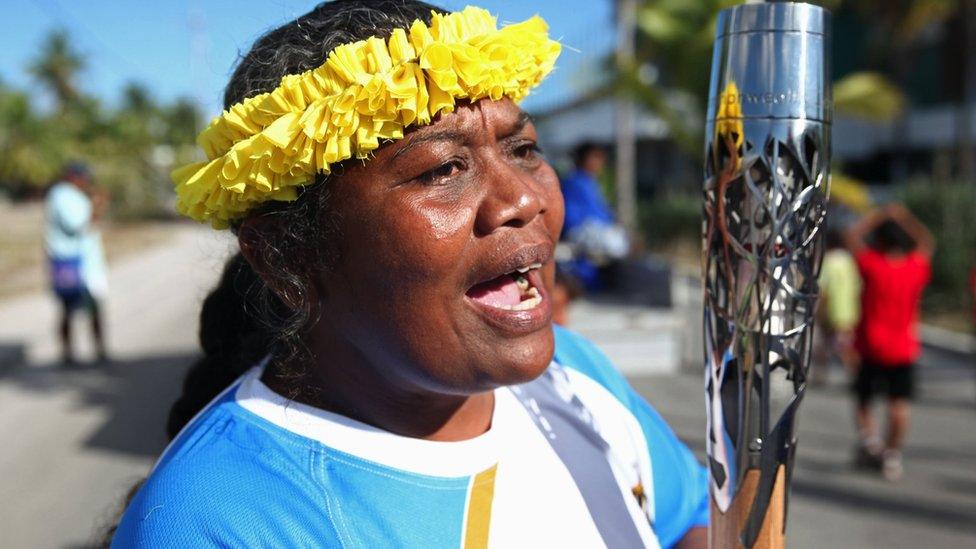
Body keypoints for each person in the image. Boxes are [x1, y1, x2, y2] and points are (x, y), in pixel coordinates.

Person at [111, 2, 708, 547]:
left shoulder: (576, 373)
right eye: (444, 168)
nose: (522, 199)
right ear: (285, 258)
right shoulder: (222, 521)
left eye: (523, 149)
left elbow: (693, 523)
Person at [845, 203, 934, 481]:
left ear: (880, 240)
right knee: (899, 404)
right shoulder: (914, 267)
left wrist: (879, 215)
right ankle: (892, 454)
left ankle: (871, 442)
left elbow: (852, 237)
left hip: (870, 345)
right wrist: (905, 217)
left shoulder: (872, 264)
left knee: (864, 400)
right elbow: (927, 243)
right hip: (903, 349)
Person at [44, 162, 109, 366]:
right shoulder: (61, 195)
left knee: (92, 307)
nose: (86, 181)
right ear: (74, 177)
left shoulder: (71, 194)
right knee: (70, 307)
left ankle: (98, 351)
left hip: (84, 262)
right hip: (71, 262)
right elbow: (78, 225)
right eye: (84, 177)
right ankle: (68, 354)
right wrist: (98, 205)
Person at [559, 141, 629, 291]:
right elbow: (573, 218)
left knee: (622, 240)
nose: (600, 162)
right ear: (583, 158)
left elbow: (603, 213)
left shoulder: (592, 183)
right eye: (595, 157)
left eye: (601, 158)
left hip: (596, 232)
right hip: (580, 232)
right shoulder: (573, 182)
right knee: (617, 244)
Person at [812, 228, 861, 385]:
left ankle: (858, 373)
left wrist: (818, 310)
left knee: (837, 346)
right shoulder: (849, 260)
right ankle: (821, 373)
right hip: (848, 310)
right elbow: (857, 285)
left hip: (831, 310)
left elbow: (823, 288)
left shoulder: (828, 260)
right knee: (840, 344)